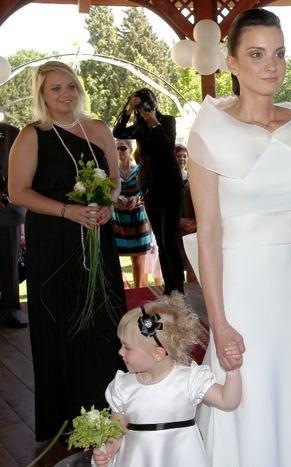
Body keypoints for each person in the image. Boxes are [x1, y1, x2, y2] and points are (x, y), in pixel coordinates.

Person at [186, 9, 291, 467]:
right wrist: (218, 321)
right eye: (256, 54)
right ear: (231, 63)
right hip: (239, 285)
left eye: (279, 54)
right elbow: (208, 233)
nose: (271, 65)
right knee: (245, 386)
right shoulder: (209, 129)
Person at [7, 61, 125, 441]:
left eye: (70, 86)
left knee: (103, 320)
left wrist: (108, 203)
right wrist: (66, 210)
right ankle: (65, 417)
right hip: (53, 240)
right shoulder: (32, 135)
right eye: (55, 88)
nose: (65, 94)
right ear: (42, 95)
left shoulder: (99, 129)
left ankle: (108, 408)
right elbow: (17, 192)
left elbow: (114, 180)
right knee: (60, 320)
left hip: (96, 235)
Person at [92, 297, 242, 467]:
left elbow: (227, 401)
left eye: (127, 347)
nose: (120, 352)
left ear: (157, 354)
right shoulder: (122, 386)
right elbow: (117, 426)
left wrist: (232, 371)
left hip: (181, 459)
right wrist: (110, 448)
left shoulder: (188, 380)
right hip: (137, 459)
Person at [114, 88, 184, 295]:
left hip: (170, 187)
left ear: (154, 102)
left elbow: (167, 146)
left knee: (170, 238)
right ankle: (169, 288)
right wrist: (128, 109)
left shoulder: (167, 121)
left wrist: (153, 121)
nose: (143, 108)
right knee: (161, 241)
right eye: (140, 105)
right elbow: (118, 132)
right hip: (150, 188)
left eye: (146, 103)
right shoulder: (139, 128)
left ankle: (178, 288)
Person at [112, 138, 151, 288]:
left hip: (137, 219)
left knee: (138, 262)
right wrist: (117, 199)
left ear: (130, 150)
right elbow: (108, 192)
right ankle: (121, 293)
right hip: (118, 220)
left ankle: (138, 292)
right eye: (116, 148)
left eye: (123, 148)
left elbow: (146, 190)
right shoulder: (112, 173)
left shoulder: (140, 171)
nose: (119, 151)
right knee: (116, 261)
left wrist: (137, 198)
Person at [0, 122, 28, 328]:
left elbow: (25, 169)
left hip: (8, 210)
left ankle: (10, 310)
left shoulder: (12, 132)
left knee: (10, 262)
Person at [175, 143, 197, 283]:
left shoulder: (194, 178)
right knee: (176, 268)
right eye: (178, 156)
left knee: (192, 267)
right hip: (175, 229)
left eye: (184, 156)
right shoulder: (166, 181)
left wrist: (196, 222)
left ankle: (193, 295)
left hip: (192, 229)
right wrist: (178, 221)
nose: (182, 159)